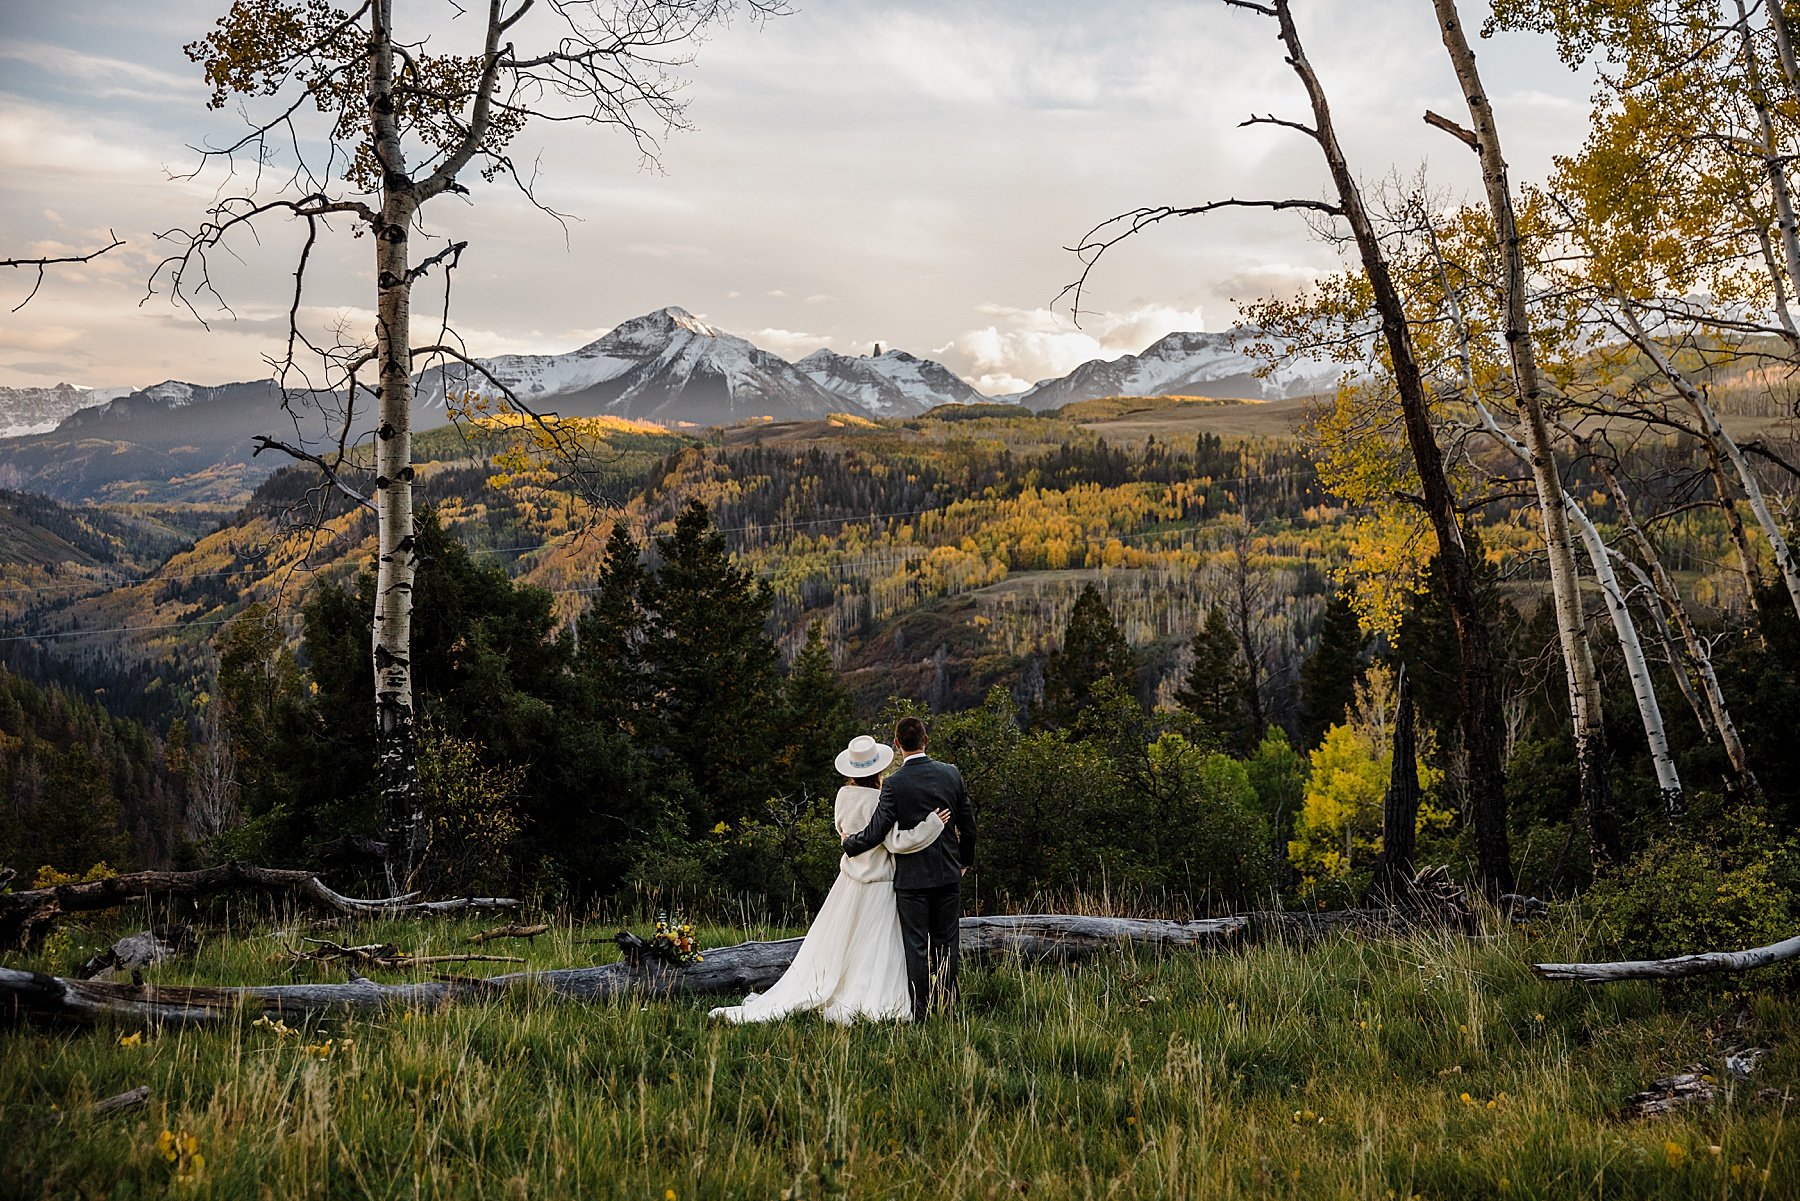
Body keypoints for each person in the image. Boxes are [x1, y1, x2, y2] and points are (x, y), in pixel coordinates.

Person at [708, 735, 951, 1024]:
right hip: (879, 885)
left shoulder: (843, 796)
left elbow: (844, 834)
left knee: (841, 943)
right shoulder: (880, 799)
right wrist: (932, 825)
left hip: (849, 883)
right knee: (873, 948)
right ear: (879, 770)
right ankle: (868, 997)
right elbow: (895, 842)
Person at [841, 715, 977, 1021]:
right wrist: (965, 861)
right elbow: (969, 828)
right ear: (926, 740)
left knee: (915, 946)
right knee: (946, 942)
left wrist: (850, 844)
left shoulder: (894, 784)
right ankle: (948, 1008)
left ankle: (920, 1012)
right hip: (947, 873)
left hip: (911, 879)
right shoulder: (951, 774)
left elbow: (877, 832)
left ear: (897, 744)